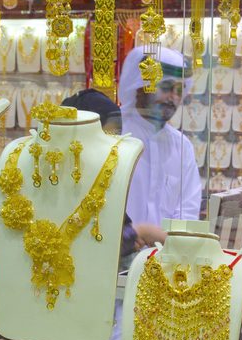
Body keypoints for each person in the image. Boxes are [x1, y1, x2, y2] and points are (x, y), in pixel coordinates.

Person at [60, 88, 164, 267]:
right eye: (107, 137)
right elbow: (79, 244)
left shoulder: (97, 179)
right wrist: (138, 232)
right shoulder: (61, 178)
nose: (115, 147)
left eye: (117, 136)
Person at [118, 46, 202, 239]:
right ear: (140, 86)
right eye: (165, 87)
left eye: (179, 90)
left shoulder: (182, 147)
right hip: (115, 258)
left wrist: (172, 244)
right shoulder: (113, 132)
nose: (173, 97)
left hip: (164, 259)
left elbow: (187, 210)